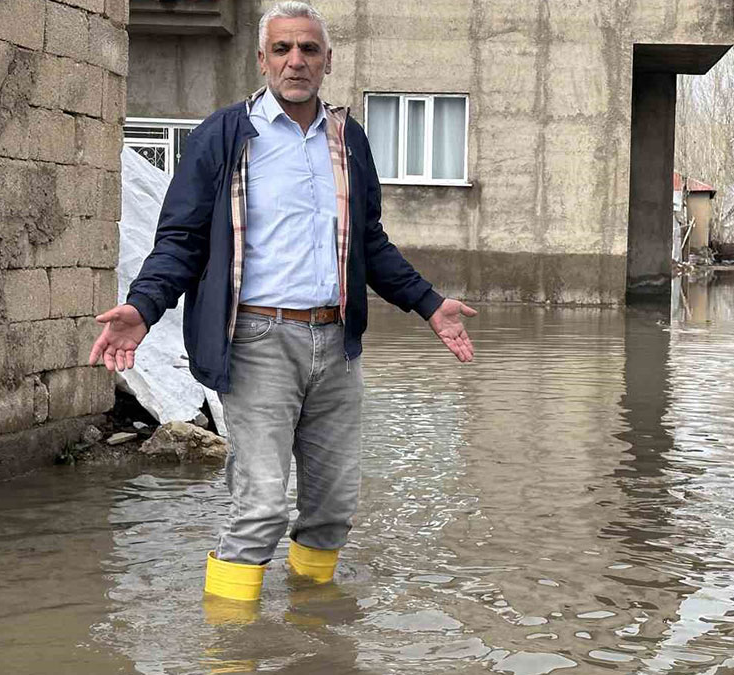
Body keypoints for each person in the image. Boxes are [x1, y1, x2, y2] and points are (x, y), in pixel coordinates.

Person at [89, 1, 477, 604]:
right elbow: (182, 240)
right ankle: (228, 642)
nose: (296, 61)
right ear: (262, 59)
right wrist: (143, 308)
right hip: (257, 342)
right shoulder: (223, 136)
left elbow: (369, 242)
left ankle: (312, 624)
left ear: (327, 61)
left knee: (333, 509)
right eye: (282, 49)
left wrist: (429, 304)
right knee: (262, 507)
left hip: (337, 345)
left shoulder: (349, 140)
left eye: (309, 49)